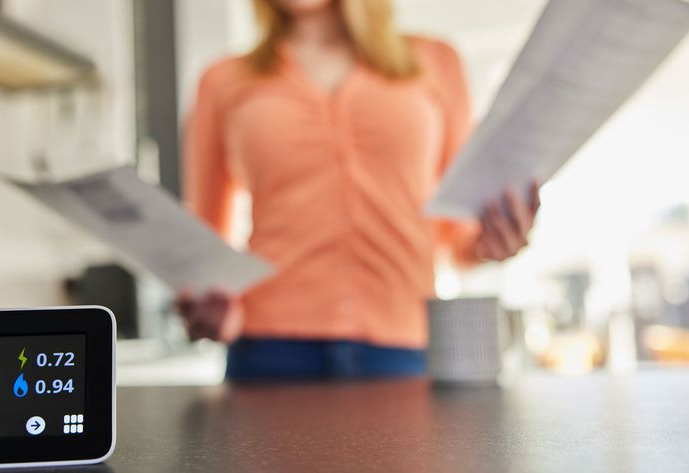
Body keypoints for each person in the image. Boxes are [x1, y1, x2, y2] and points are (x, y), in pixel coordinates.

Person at [178, 0, 539, 380]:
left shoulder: (435, 61)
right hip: (268, 351)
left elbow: (457, 236)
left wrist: (493, 240)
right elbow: (204, 246)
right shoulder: (222, 80)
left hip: (403, 349)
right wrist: (211, 304)